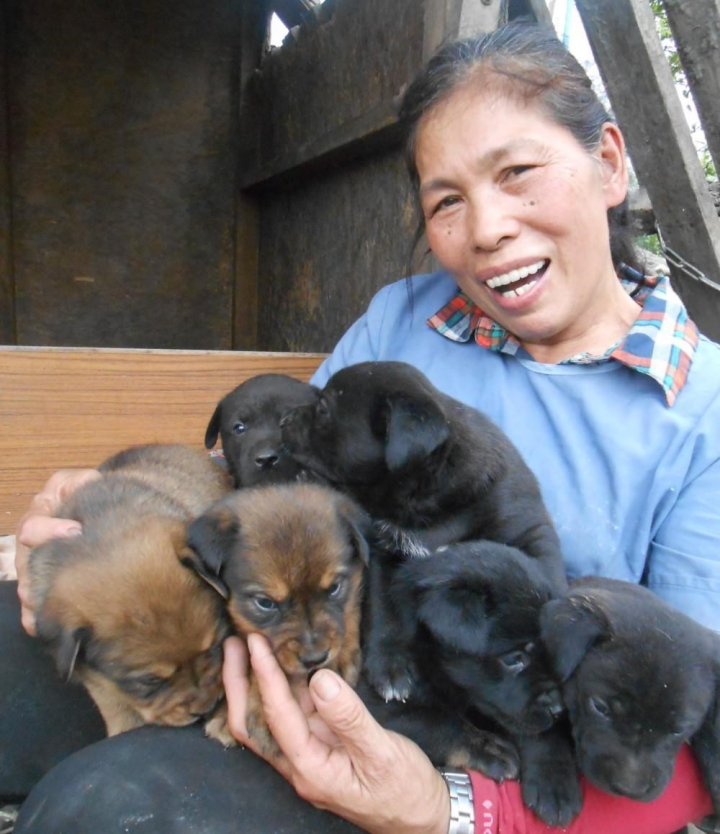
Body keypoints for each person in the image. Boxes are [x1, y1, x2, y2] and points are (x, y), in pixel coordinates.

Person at [6, 20, 720, 834]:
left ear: (609, 163)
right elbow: (277, 506)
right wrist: (102, 535)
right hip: (285, 677)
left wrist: (449, 811)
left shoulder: (705, 418)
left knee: (113, 811)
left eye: (517, 172)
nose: (486, 229)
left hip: (487, 782)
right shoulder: (403, 322)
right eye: (446, 200)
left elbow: (697, 737)